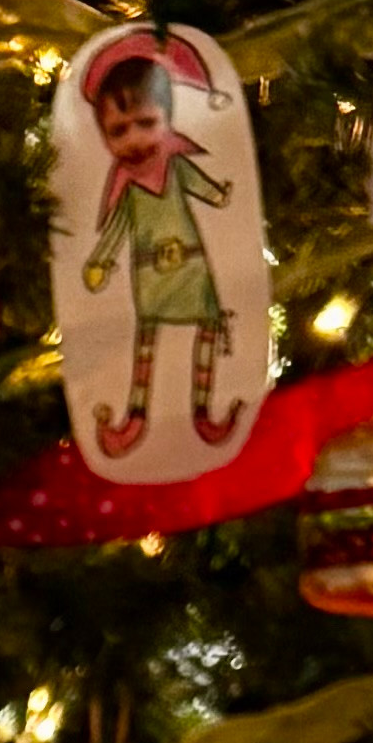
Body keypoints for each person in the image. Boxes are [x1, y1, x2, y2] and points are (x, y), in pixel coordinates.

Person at [76, 35, 248, 459]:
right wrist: (99, 262)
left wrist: (222, 197)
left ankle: (203, 410)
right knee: (147, 340)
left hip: (192, 268)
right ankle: (135, 413)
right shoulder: (128, 189)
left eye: (146, 123)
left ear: (167, 120)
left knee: (206, 328)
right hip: (150, 274)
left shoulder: (175, 166)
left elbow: (204, 189)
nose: (134, 139)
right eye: (118, 130)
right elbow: (115, 231)